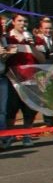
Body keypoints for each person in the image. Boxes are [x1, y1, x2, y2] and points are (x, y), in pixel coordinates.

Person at [5, 13, 45, 147]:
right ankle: (10, 135)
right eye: (20, 21)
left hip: (31, 79)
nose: (23, 23)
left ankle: (27, 135)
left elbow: (42, 60)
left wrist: (32, 47)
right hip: (13, 79)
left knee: (29, 108)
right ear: (14, 22)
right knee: (11, 108)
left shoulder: (35, 39)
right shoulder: (7, 38)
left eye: (25, 21)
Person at [35, 17, 53, 127]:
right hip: (43, 72)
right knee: (46, 98)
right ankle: (49, 123)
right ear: (40, 29)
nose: (48, 31)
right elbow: (42, 57)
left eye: (51, 28)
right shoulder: (37, 40)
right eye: (46, 28)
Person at [0, 15, 17, 150]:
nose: (3, 26)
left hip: (2, 77)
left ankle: (3, 138)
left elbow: (3, 60)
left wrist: (7, 54)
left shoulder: (3, 39)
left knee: (3, 111)